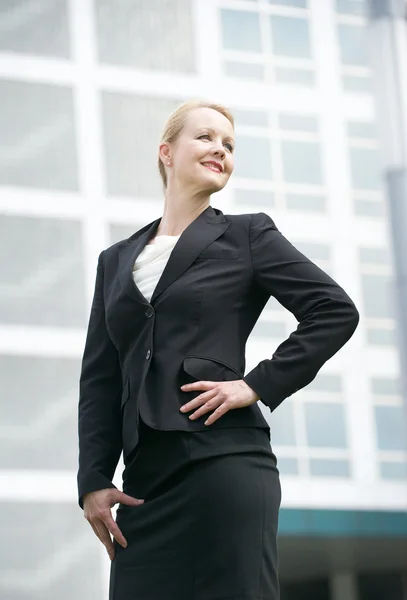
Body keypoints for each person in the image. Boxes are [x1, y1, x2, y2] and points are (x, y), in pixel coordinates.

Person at [77, 100, 359, 600]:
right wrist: (94, 479)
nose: (220, 150)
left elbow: (334, 310)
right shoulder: (114, 261)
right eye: (205, 137)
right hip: (143, 486)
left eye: (229, 145)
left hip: (224, 463)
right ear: (167, 152)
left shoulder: (248, 234)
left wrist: (257, 383)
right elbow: (100, 377)